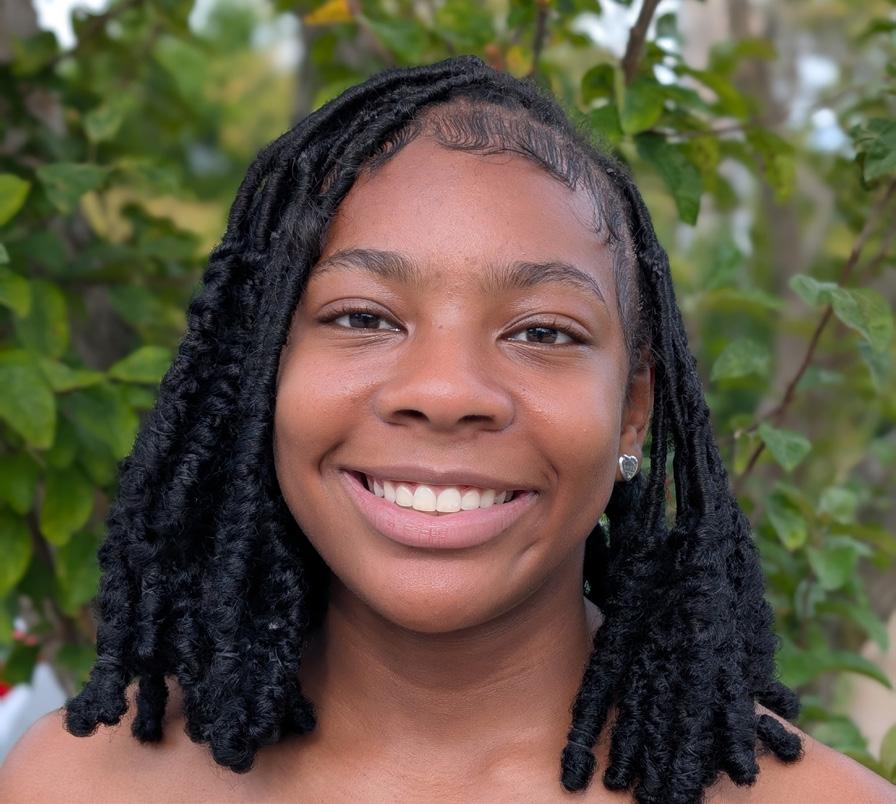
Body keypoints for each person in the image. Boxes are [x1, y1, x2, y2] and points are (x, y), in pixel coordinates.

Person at [1, 55, 894, 804]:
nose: (445, 391)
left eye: (543, 332)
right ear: (262, 376)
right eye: (362, 317)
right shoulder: (77, 784)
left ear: (634, 408)